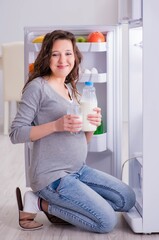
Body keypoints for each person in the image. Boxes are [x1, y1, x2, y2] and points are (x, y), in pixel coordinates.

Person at [9, 30, 136, 233]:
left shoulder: (70, 87)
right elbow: (16, 133)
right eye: (55, 54)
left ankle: (67, 205)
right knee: (106, 222)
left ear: (75, 56)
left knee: (127, 198)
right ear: (46, 57)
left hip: (79, 169)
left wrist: (91, 127)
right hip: (51, 177)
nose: (63, 60)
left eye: (68, 53)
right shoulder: (37, 88)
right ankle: (39, 203)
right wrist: (56, 126)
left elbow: (79, 140)